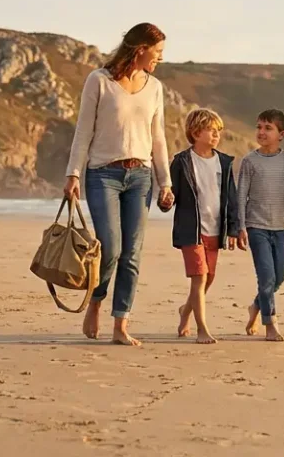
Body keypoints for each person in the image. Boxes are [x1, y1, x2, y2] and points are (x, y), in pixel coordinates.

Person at [64, 22, 172, 347]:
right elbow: (83, 131)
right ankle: (96, 300)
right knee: (110, 248)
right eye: (158, 53)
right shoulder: (99, 81)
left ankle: (120, 323)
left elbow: (158, 137)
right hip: (103, 175)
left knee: (133, 253)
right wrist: (73, 174)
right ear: (140, 49)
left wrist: (164, 182)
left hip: (141, 177)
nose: (160, 60)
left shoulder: (154, 87)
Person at [164, 108, 243, 344]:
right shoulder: (182, 162)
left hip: (215, 229)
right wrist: (165, 200)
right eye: (210, 130)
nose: (216, 135)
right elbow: (171, 195)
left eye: (218, 130)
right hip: (192, 230)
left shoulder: (224, 162)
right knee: (199, 278)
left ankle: (185, 311)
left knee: (208, 279)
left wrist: (233, 229)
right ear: (196, 132)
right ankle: (202, 329)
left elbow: (231, 198)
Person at [238, 109, 284, 342]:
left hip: (280, 228)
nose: (261, 132)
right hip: (255, 226)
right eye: (259, 127)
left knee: (278, 278)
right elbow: (241, 196)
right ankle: (271, 323)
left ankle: (256, 307)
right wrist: (240, 227)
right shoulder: (250, 161)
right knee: (267, 278)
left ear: (281, 134)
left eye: (268, 128)